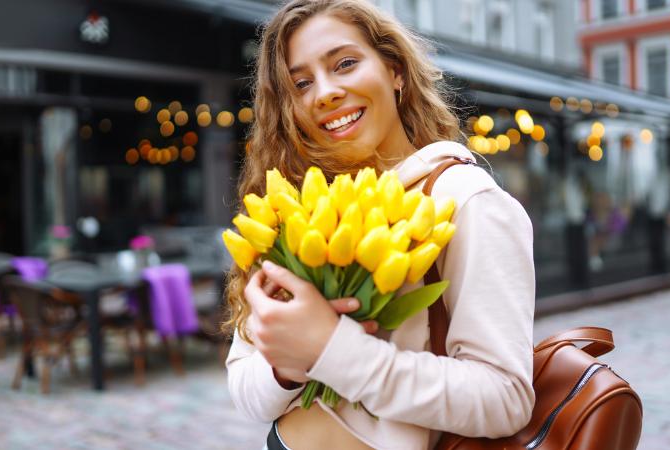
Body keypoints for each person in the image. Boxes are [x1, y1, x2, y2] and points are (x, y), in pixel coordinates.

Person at [223, 1, 535, 449]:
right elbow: (245, 388)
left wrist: (331, 349)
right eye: (301, 83)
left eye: (345, 64)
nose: (325, 92)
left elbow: (505, 399)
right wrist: (286, 366)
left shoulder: (465, 200)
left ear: (395, 70)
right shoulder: (296, 206)